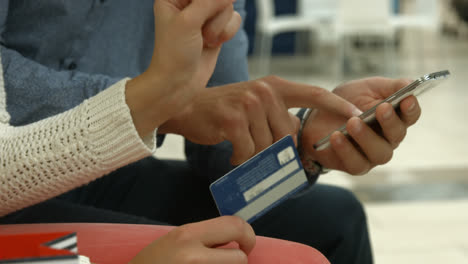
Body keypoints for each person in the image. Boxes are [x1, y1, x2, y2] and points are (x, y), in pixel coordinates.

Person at [0, 0, 422, 263]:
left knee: (336, 218)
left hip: (108, 170)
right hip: (11, 179)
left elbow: (223, 152)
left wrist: (305, 144)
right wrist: (162, 105)